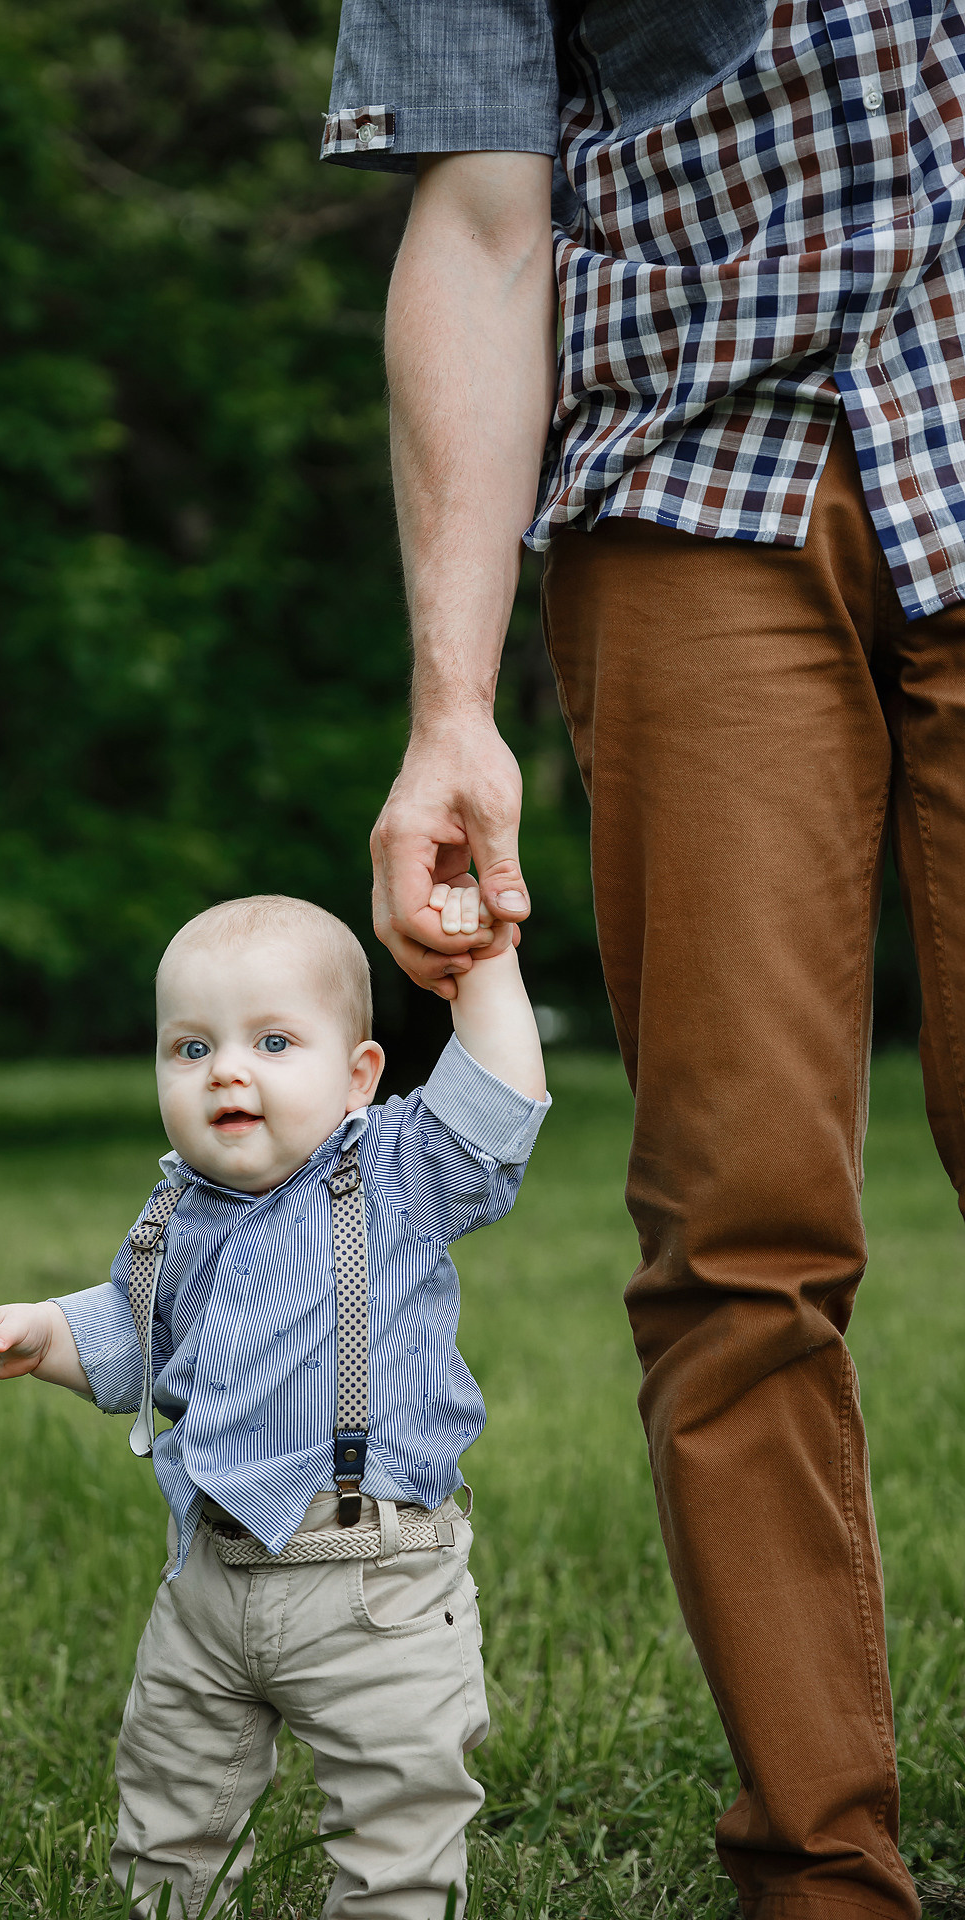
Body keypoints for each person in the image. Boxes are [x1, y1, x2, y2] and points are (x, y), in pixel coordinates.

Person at [322, 4, 965, 1915]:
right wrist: (452, 709)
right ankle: (820, 1873)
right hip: (696, 482)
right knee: (740, 1223)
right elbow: (483, 221)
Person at [0, 891, 548, 1918]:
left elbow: (492, 1106)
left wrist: (480, 963)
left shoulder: (397, 1174)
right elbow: (140, 1338)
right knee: (168, 1804)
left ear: (356, 1078)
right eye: (189, 1047)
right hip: (208, 1582)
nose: (226, 1068)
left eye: (271, 1041)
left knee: (396, 1822)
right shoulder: (177, 1211)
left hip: (370, 1584)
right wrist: (44, 1334)